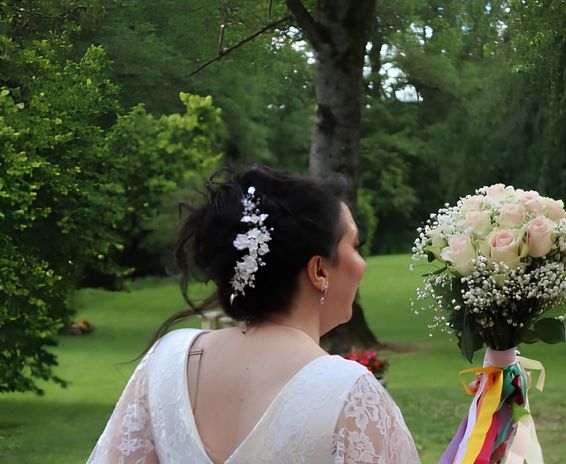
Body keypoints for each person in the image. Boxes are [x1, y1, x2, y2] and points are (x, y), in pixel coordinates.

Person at [87, 166, 420, 463]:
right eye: (355, 246)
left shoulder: (166, 363)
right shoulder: (351, 393)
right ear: (319, 270)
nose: (361, 265)